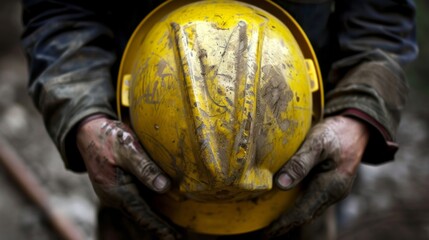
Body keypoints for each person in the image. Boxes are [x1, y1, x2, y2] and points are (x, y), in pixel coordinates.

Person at [21, 0, 417, 239]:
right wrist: (84, 116)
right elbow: (59, 10)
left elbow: (380, 18)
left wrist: (359, 114)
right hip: (135, 163)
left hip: (305, 164)